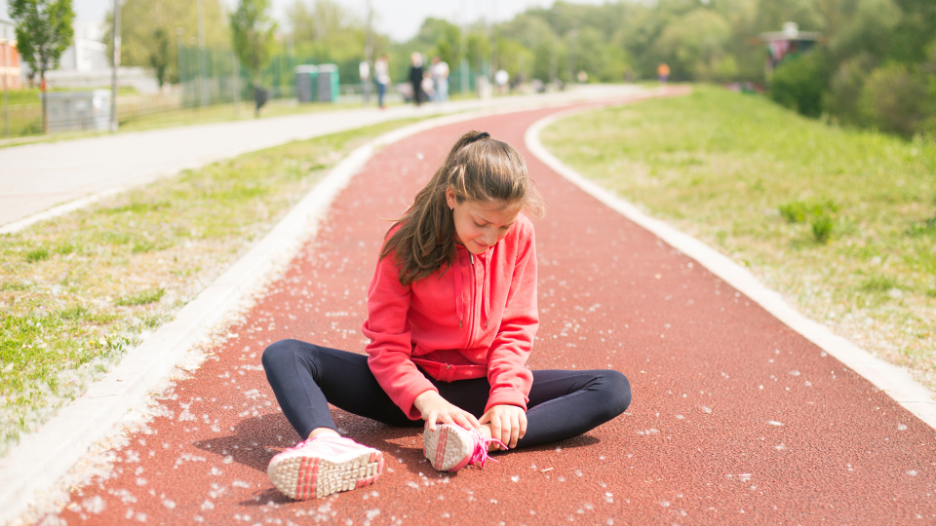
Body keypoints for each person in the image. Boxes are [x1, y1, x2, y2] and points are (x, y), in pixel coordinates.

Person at [262, 131, 632, 500]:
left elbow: (515, 328)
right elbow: (386, 346)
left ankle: (477, 439)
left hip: (478, 390)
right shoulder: (403, 241)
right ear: (452, 197)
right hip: (407, 395)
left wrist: (506, 397)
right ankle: (329, 446)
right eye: (481, 223)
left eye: (503, 226)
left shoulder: (520, 235)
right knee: (285, 353)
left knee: (612, 387)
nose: (491, 237)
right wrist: (426, 399)